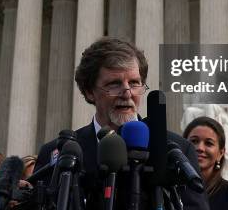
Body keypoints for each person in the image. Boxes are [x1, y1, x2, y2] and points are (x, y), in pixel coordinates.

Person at [34, 37, 209, 210]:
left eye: (134, 83)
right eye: (114, 84)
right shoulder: (57, 154)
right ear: (89, 92)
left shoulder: (177, 150)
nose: (127, 94)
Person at [183, 116, 228, 209]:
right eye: (194, 141)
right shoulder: (170, 190)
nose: (200, 148)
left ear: (220, 153)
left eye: (209, 143)